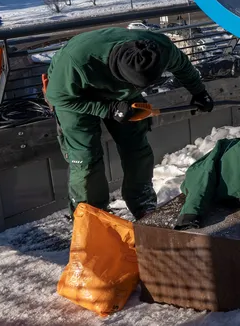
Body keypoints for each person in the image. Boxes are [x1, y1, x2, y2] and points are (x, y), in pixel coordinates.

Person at [45, 27, 213, 219]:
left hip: (123, 98)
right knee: (86, 159)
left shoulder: (160, 49)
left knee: (137, 148)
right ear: (119, 74)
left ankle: (143, 203)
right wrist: (108, 109)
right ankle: (90, 216)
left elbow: (182, 66)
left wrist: (199, 93)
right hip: (74, 96)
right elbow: (59, 98)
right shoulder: (76, 62)